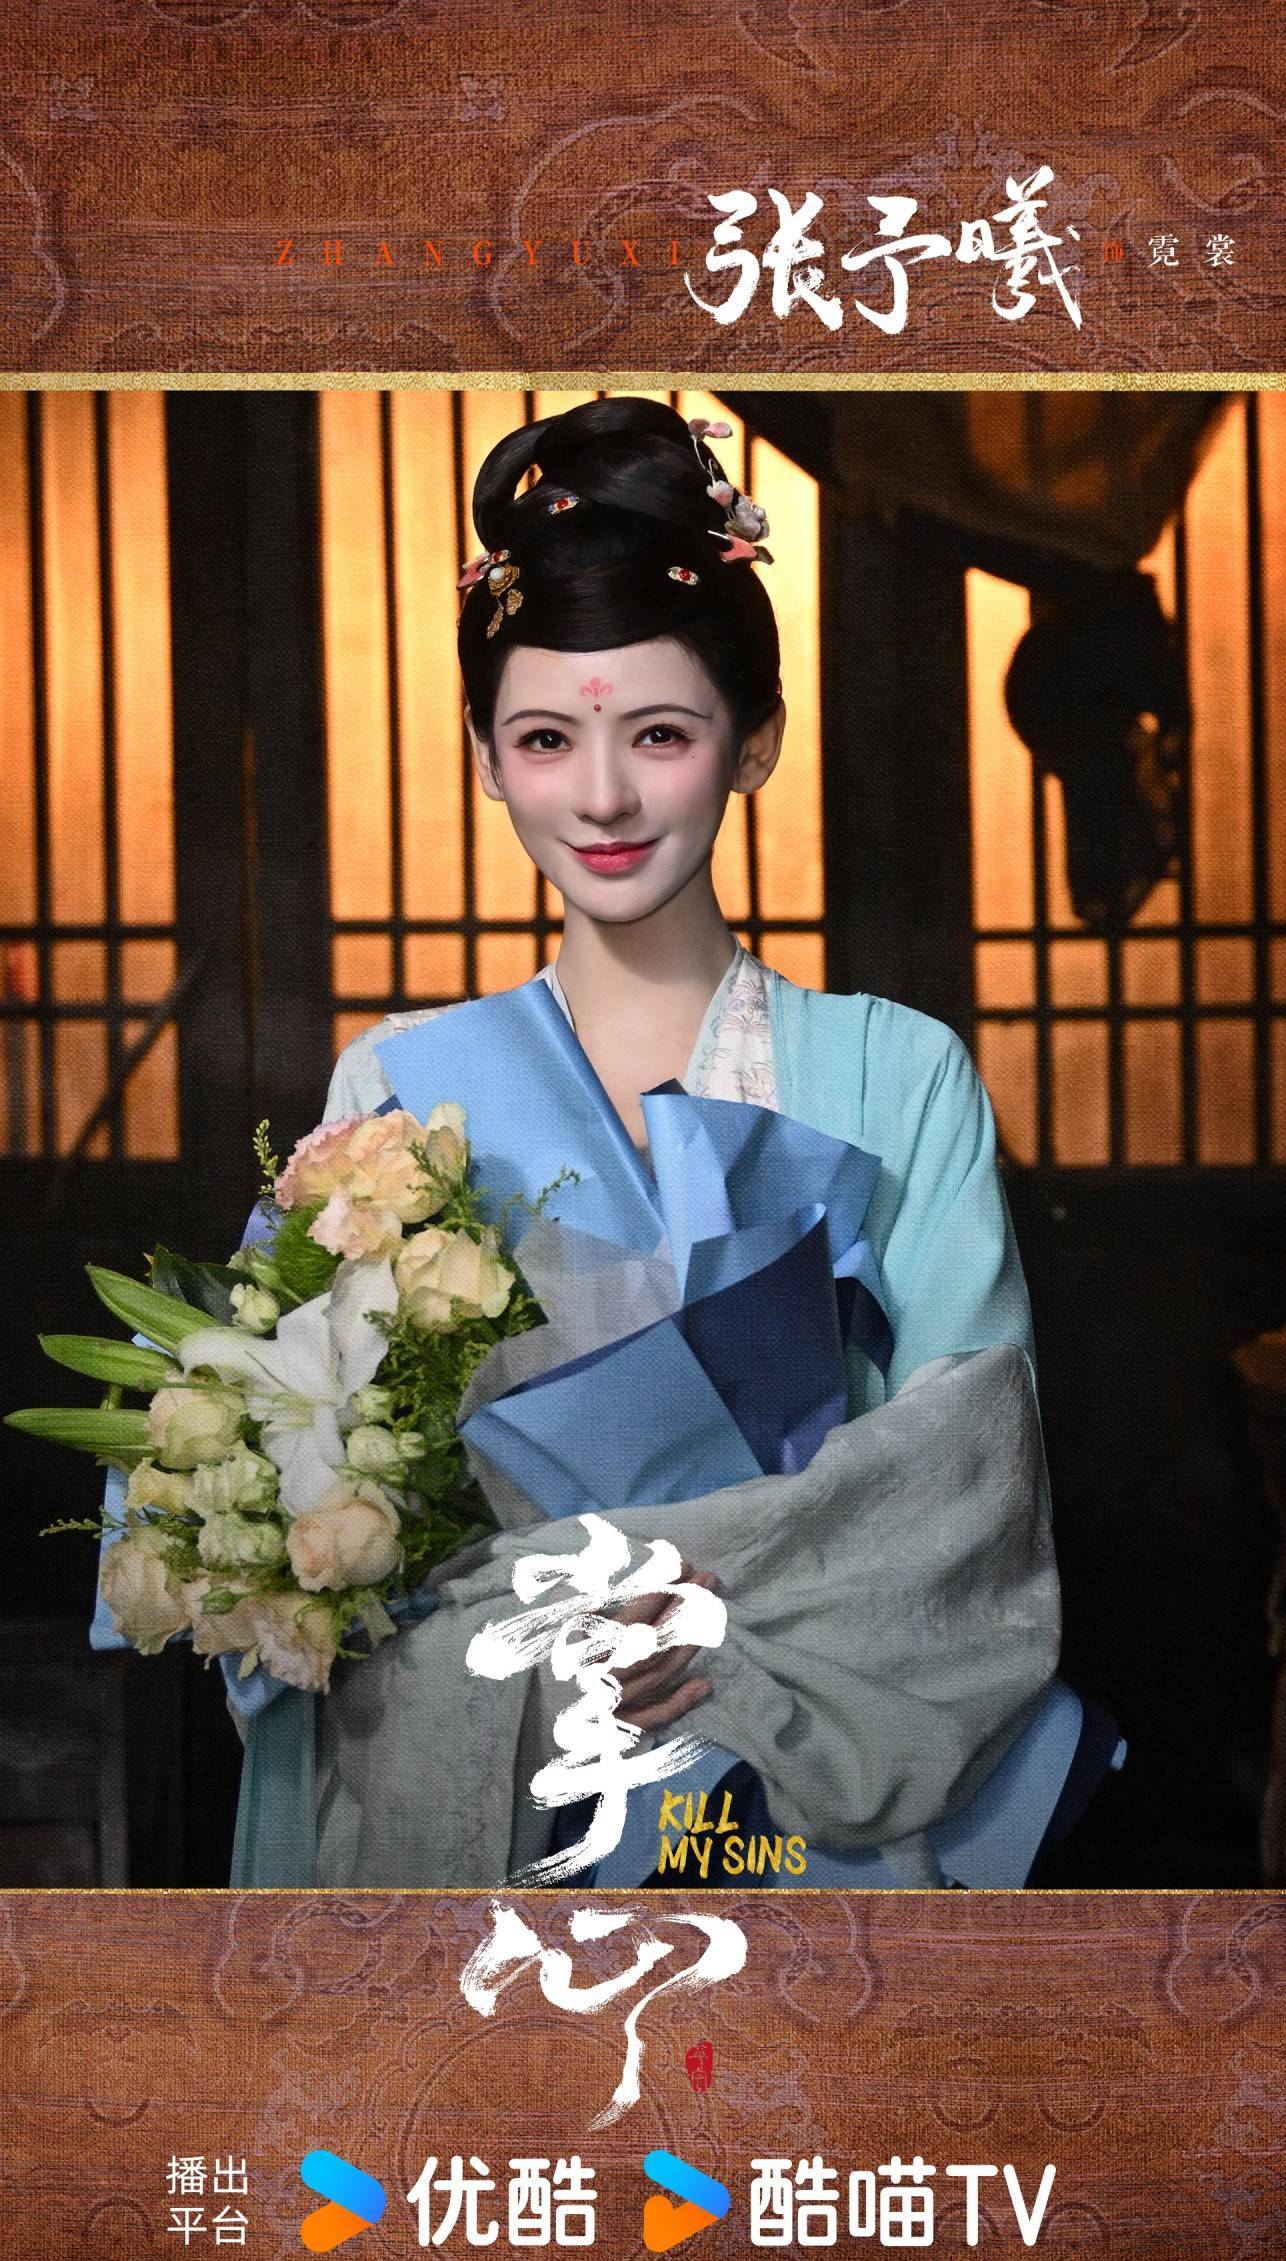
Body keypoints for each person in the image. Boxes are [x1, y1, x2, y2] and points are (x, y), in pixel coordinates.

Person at [265, 397, 1113, 1895]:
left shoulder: (896, 1071)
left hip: (807, 1758)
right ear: (485, 758)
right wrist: (549, 1617)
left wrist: (716, 1610)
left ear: (753, 742)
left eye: (659, 734)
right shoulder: (396, 1086)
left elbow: (965, 1480)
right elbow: (317, 1488)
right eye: (545, 739)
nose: (601, 796)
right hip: (503, 1757)